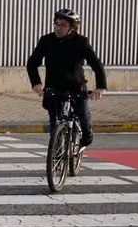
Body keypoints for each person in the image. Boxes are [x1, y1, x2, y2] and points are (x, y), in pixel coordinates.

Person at [26, 8, 107, 148]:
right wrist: (36, 84)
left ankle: (85, 139)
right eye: (56, 24)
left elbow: (96, 63)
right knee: (54, 122)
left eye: (63, 25)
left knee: (83, 118)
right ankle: (56, 153)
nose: (58, 28)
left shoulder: (80, 42)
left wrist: (101, 86)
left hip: (76, 86)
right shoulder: (46, 40)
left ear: (72, 28)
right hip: (54, 87)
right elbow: (32, 63)